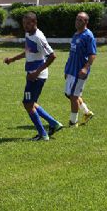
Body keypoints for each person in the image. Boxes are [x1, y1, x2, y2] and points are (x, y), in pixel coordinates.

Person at [4, 12, 63, 141]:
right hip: (32, 74)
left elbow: (52, 56)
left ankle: (43, 134)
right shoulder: (29, 34)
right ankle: (54, 123)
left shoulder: (39, 37)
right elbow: (28, 52)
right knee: (31, 103)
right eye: (24, 23)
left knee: (28, 104)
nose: (25, 26)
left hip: (37, 76)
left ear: (34, 23)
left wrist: (36, 73)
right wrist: (12, 59)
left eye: (28, 23)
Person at [64, 12, 97, 127]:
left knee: (73, 96)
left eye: (80, 20)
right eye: (76, 19)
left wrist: (85, 68)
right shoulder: (76, 34)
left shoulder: (88, 35)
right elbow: (71, 54)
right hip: (71, 70)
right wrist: (67, 70)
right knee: (69, 94)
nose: (77, 22)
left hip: (80, 72)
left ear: (86, 22)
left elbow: (92, 54)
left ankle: (73, 122)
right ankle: (87, 112)